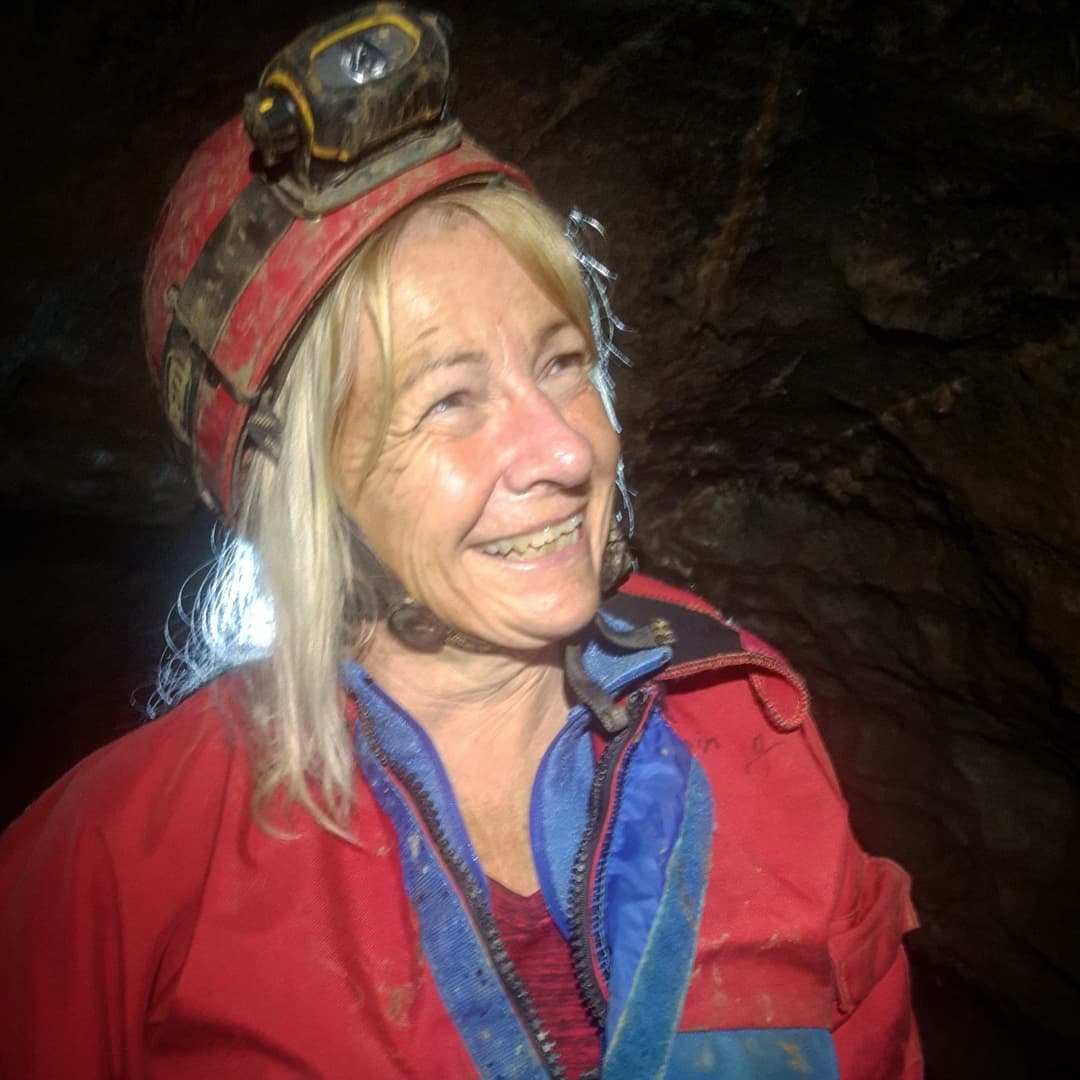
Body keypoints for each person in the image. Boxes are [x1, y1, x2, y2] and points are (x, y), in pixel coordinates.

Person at [0, 5, 922, 1077]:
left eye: (563, 362)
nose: (565, 450)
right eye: (449, 401)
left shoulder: (748, 718)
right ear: (305, 491)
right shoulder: (121, 867)